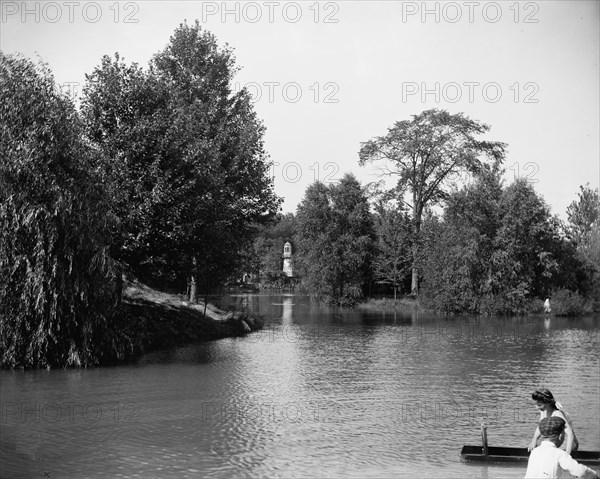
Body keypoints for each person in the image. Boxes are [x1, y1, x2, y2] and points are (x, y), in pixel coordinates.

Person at [524, 416, 598, 479]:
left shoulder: (535, 452)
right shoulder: (559, 454)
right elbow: (580, 471)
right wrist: (594, 475)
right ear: (560, 436)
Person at [528, 389, 579, 454]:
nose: (537, 407)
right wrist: (534, 440)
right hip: (556, 440)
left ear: (548, 403)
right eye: (536, 404)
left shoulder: (557, 413)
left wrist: (567, 454)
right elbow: (540, 425)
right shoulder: (544, 410)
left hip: (568, 443)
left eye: (539, 405)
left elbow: (570, 433)